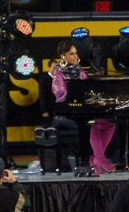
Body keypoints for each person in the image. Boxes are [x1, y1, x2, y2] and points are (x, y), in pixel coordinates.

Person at [43, 40, 116, 174]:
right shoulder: (59, 74)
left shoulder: (80, 71)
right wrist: (77, 95)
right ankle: (99, 159)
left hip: (82, 109)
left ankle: (96, 158)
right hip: (64, 114)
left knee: (110, 124)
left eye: (76, 53)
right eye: (71, 54)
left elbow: (87, 89)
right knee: (93, 124)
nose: (76, 56)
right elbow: (61, 95)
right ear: (63, 56)